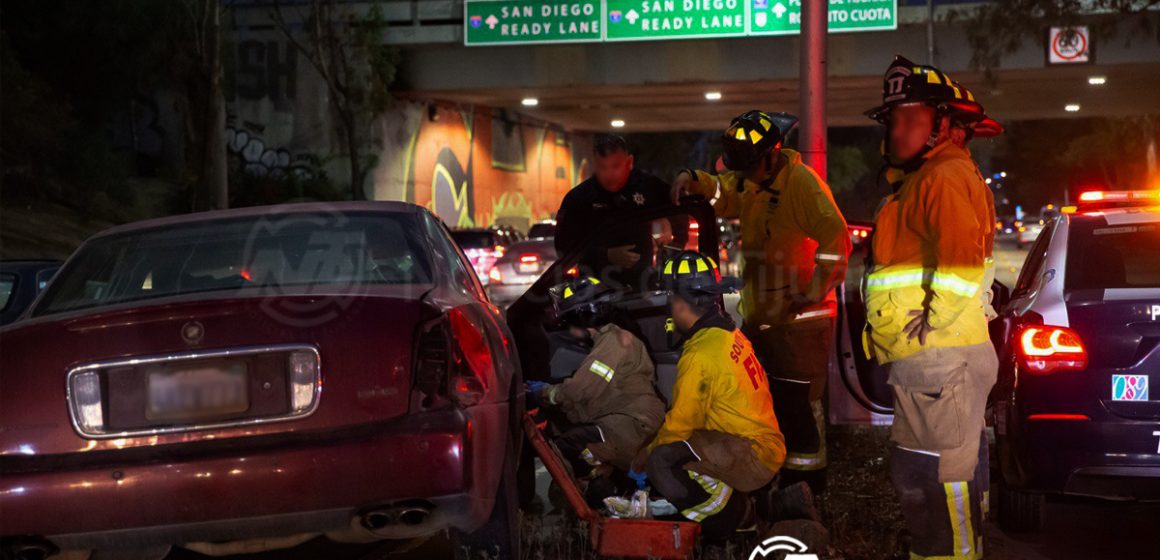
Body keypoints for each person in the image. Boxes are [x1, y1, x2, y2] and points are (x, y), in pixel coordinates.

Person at [862, 55, 1001, 560]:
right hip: (941, 359)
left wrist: (933, 322)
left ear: (945, 124)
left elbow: (960, 264)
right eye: (894, 120)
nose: (897, 131)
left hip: (941, 357)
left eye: (911, 119)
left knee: (932, 479)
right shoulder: (931, 177)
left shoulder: (942, 177)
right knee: (949, 473)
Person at [673, 110, 850, 493]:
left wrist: (813, 290)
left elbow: (837, 240)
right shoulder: (753, 182)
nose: (746, 174)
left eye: (751, 165)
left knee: (800, 411)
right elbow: (723, 192)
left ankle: (807, 492)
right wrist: (693, 180)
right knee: (774, 406)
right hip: (768, 318)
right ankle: (781, 485)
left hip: (800, 321)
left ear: (773, 153)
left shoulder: (801, 185)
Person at [630, 251, 785, 540]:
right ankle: (743, 502)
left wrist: (643, 460)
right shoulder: (727, 333)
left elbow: (680, 426)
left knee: (662, 462)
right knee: (676, 450)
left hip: (752, 455)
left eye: (671, 298)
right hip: (762, 444)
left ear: (682, 301)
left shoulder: (701, 353)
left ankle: (735, 521)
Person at [527, 276, 666, 504]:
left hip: (630, 425)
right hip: (630, 422)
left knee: (569, 445)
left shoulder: (614, 342)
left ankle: (601, 497)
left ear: (580, 318)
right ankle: (607, 490)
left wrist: (544, 392)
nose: (568, 328)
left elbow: (579, 390)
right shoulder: (615, 338)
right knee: (580, 443)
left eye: (569, 321)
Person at [555, 135, 674, 289]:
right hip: (595, 292)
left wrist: (667, 223)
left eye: (616, 166)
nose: (609, 174)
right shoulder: (579, 199)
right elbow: (563, 247)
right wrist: (605, 255)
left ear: (629, 162)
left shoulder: (646, 186)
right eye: (602, 167)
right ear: (594, 164)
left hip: (643, 289)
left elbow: (679, 201)